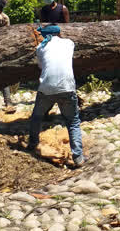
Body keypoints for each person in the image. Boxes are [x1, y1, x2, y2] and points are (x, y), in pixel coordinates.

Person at [27, 25, 85, 167]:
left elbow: (41, 67)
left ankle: (32, 145)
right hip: (67, 88)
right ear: (59, 33)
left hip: (46, 89)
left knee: (36, 117)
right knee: (73, 122)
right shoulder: (69, 43)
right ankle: (78, 157)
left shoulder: (40, 48)